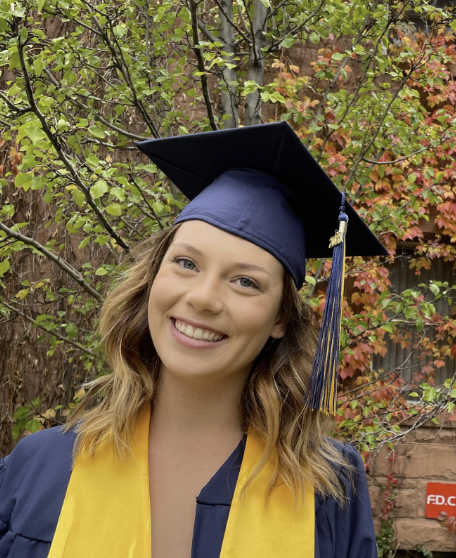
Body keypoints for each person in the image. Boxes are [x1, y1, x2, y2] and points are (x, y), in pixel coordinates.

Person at [0, 122, 386, 558]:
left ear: (280, 317)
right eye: (185, 262)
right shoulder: (37, 468)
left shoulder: (328, 486)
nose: (202, 298)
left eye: (244, 281)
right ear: (152, 280)